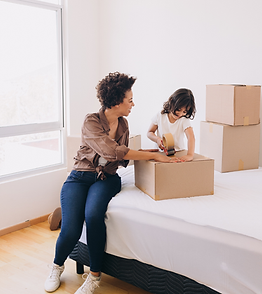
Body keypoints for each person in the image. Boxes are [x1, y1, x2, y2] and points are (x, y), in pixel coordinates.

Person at [44, 72, 180, 294]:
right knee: (71, 228)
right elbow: (112, 150)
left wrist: (155, 151)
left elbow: (123, 157)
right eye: (130, 100)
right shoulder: (91, 121)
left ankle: (95, 276)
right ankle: (56, 266)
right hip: (79, 178)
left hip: (106, 179)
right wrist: (153, 157)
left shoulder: (123, 124)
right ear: (117, 101)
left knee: (94, 216)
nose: (133, 104)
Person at [147, 88, 196, 162]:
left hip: (178, 152)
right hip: (161, 153)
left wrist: (190, 154)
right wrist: (157, 140)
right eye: (178, 110)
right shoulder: (160, 116)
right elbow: (149, 132)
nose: (180, 114)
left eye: (184, 112)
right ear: (171, 102)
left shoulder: (184, 120)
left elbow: (191, 137)